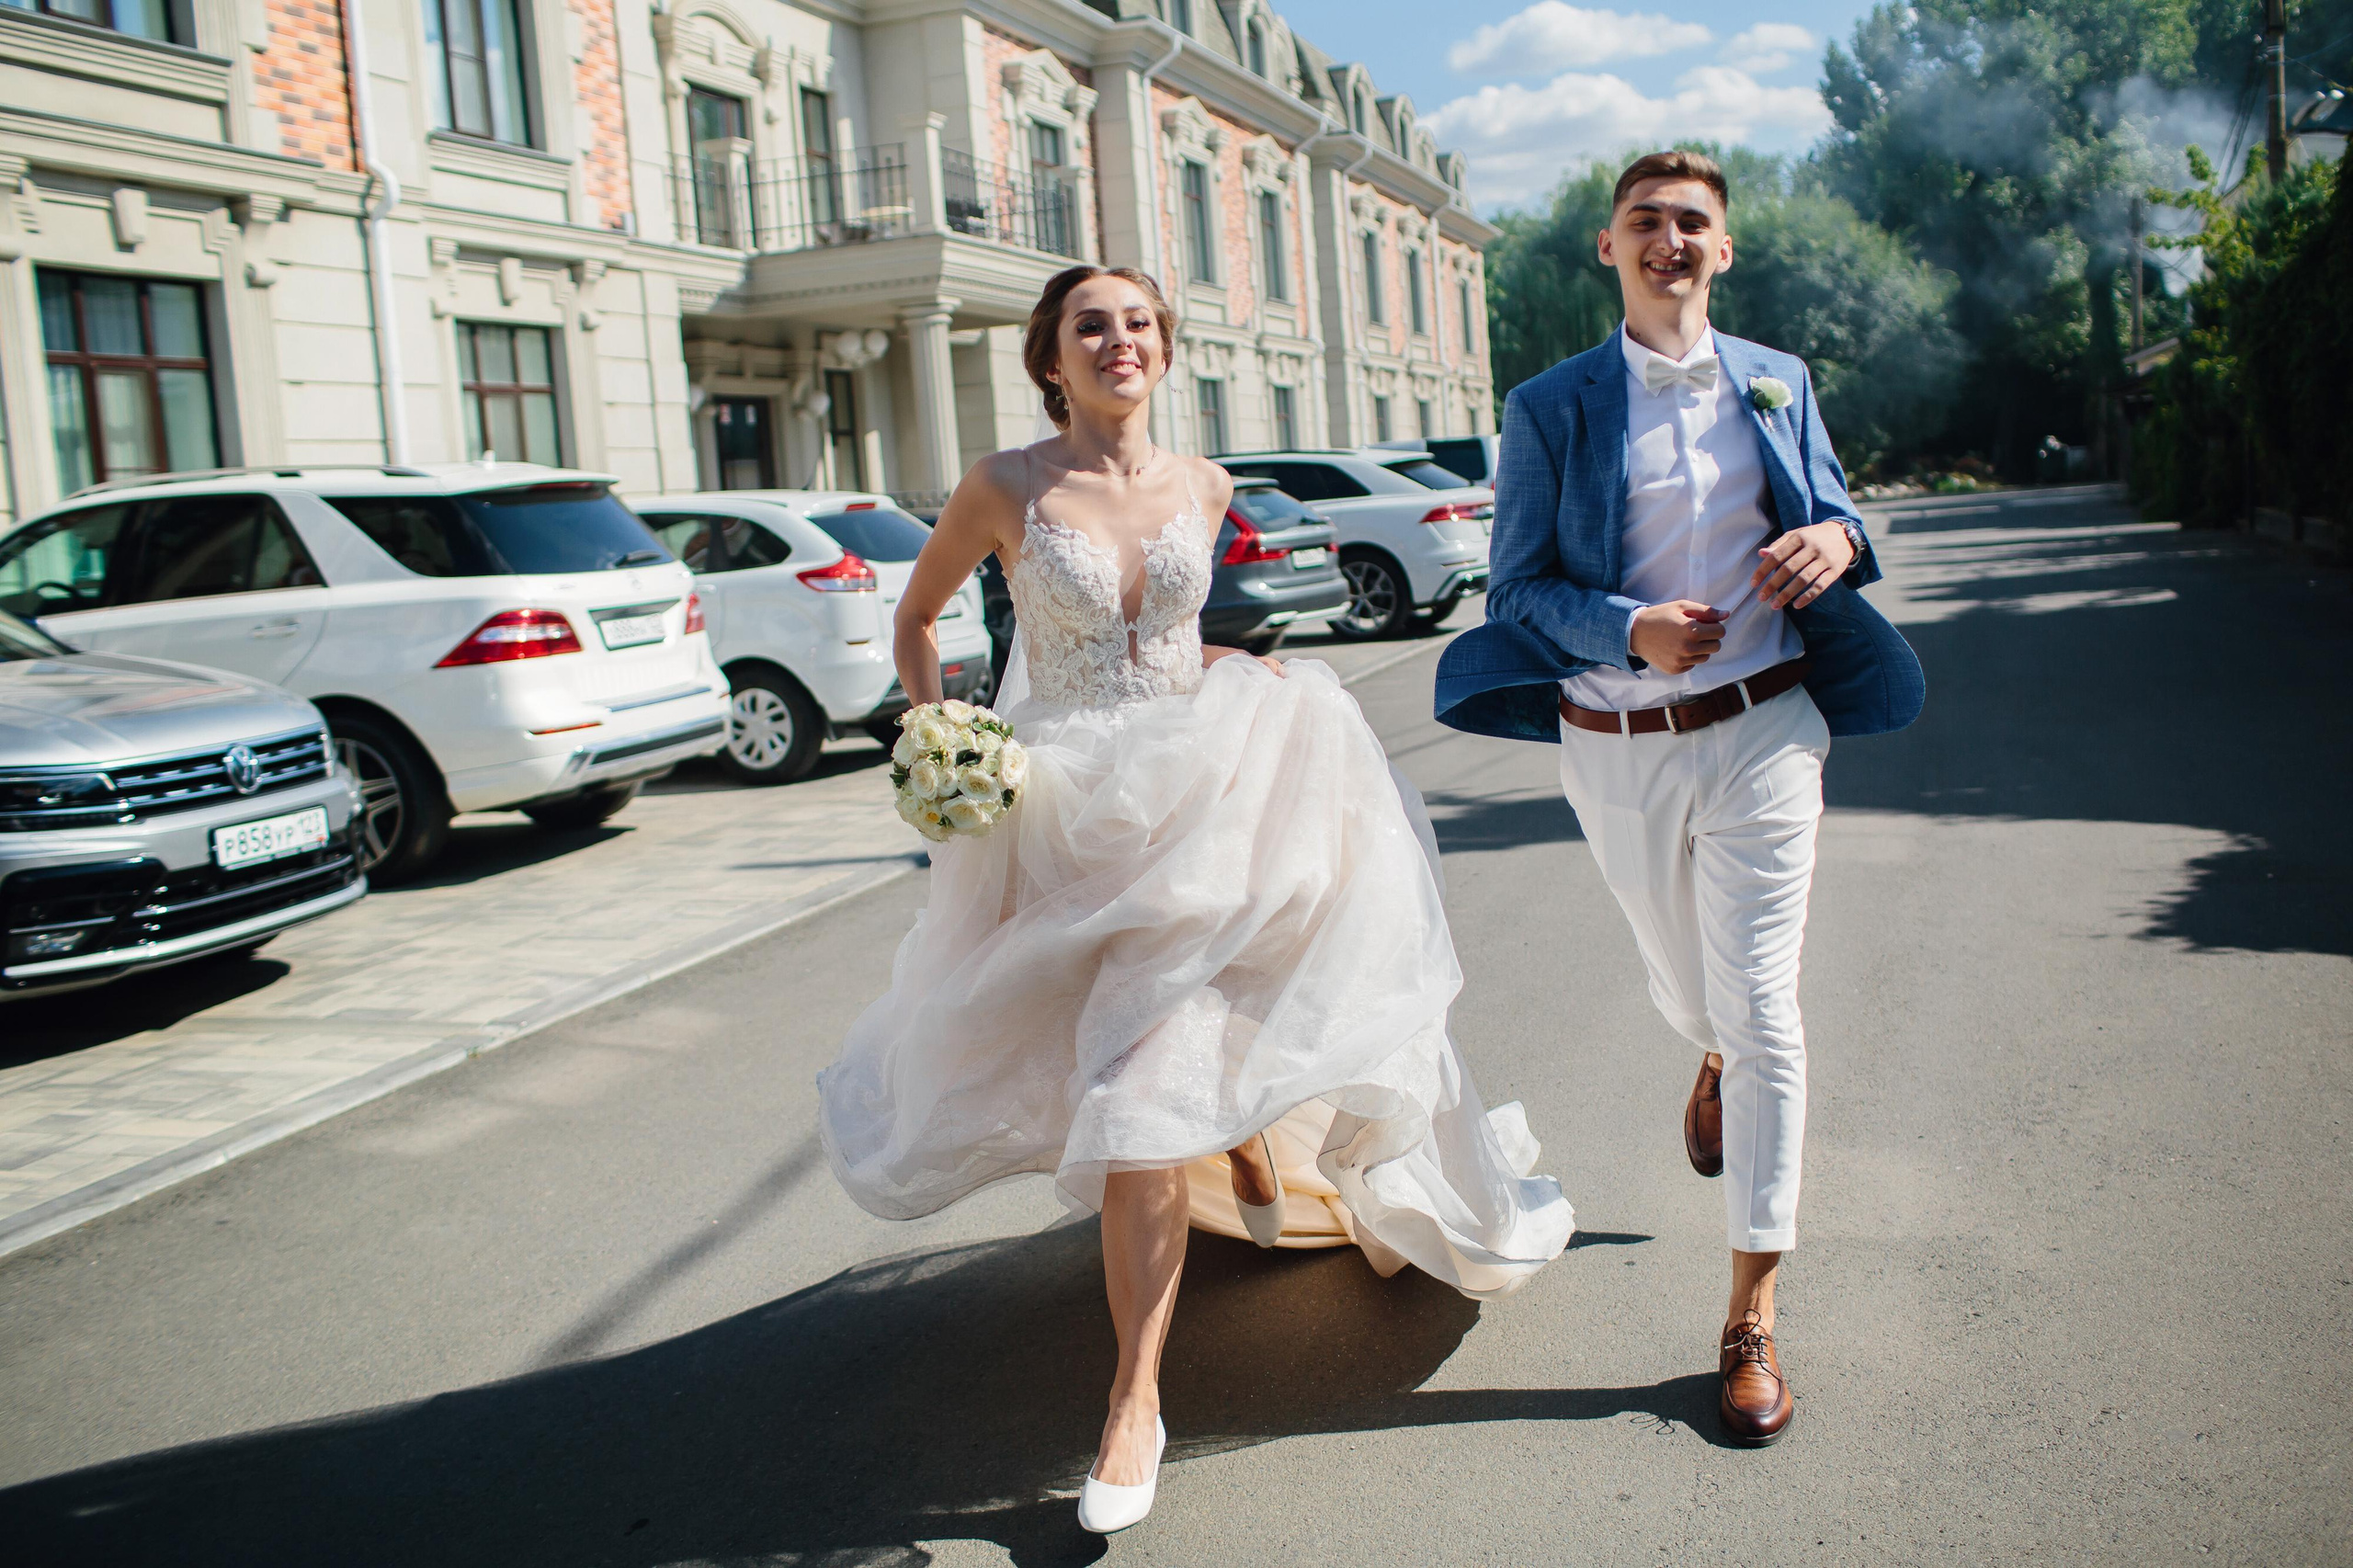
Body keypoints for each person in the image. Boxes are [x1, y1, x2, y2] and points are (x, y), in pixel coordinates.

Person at [819, 265, 1574, 1532]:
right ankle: (1205, 1190)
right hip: (1065, 807)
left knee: (1154, 1073)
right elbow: (918, 620)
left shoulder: (1209, 486)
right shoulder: (1003, 484)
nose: (1118, 340)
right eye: (1090, 325)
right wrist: (940, 729)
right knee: (1115, 1065)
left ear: (1164, 352)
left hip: (1200, 787)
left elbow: (1166, 638)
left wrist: (1237, 668)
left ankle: (1135, 1397)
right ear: (1051, 360)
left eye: (1139, 324)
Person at [1434, 151, 1926, 1446]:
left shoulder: (1779, 377)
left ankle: (1751, 1312)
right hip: (1620, 745)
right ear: (1609, 247)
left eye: (1692, 222)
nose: (1670, 239)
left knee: (1766, 1010)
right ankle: (1707, 1052)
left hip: (1769, 731)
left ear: (1724, 248)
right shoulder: (1552, 404)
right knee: (1694, 992)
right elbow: (1515, 589)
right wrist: (1627, 628)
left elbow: (1838, 515)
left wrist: (1841, 539)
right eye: (1644, 221)